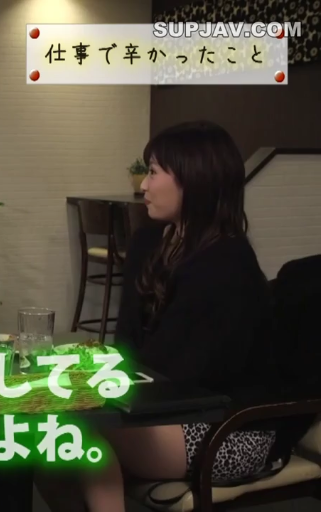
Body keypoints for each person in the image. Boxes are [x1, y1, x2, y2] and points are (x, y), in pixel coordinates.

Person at [71, 121, 276, 511]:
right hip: (161, 405)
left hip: (227, 424)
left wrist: (102, 388)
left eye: (153, 173)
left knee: (70, 431)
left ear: (193, 181)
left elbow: (181, 371)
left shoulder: (227, 262)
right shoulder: (149, 240)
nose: (143, 185)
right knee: (48, 431)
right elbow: (127, 344)